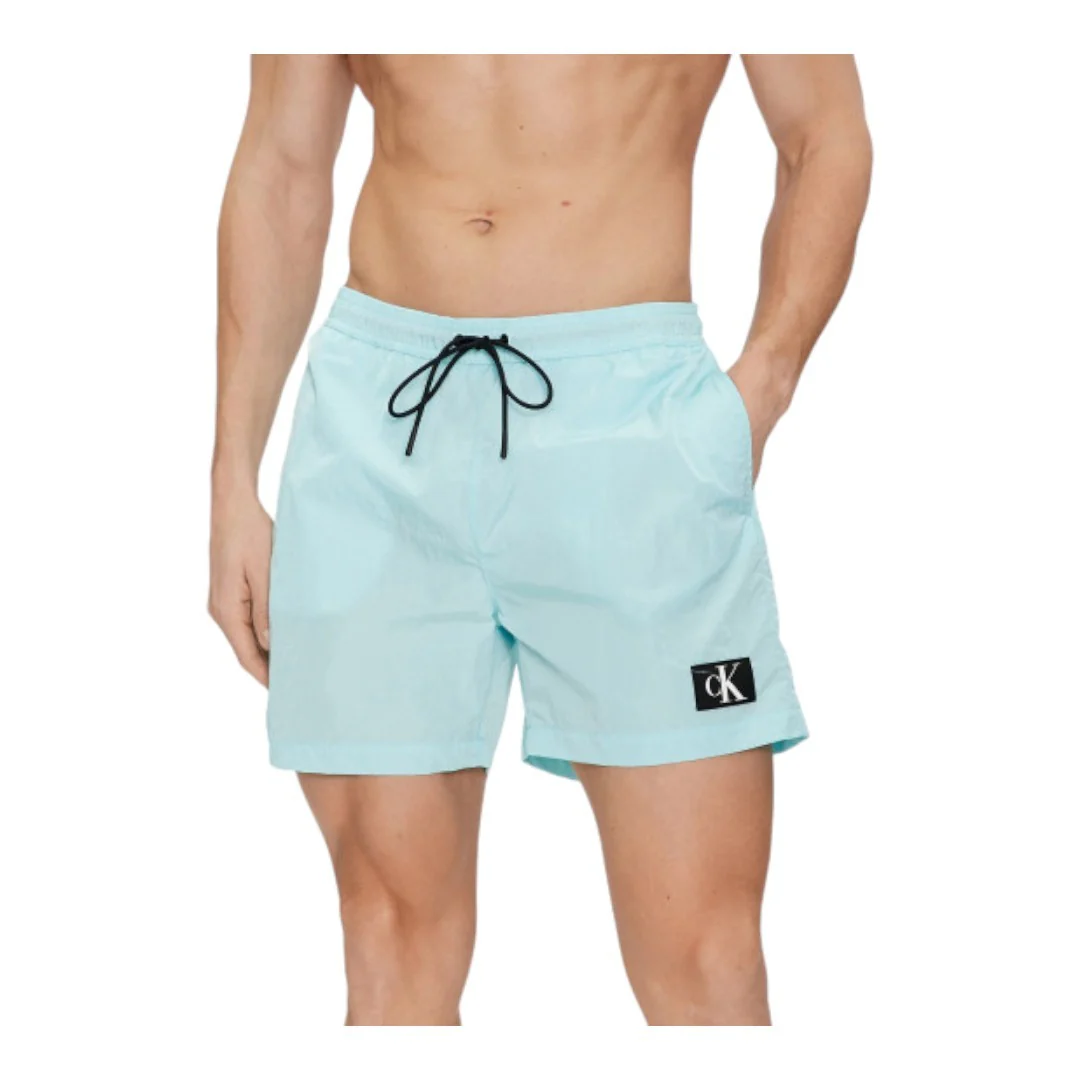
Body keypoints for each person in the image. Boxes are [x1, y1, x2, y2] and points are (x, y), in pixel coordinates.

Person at [209, 54, 871, 1025]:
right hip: (377, 430)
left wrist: (758, 390)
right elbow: (282, 159)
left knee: (703, 956)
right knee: (386, 930)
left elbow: (824, 133)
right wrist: (232, 477)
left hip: (636, 430)